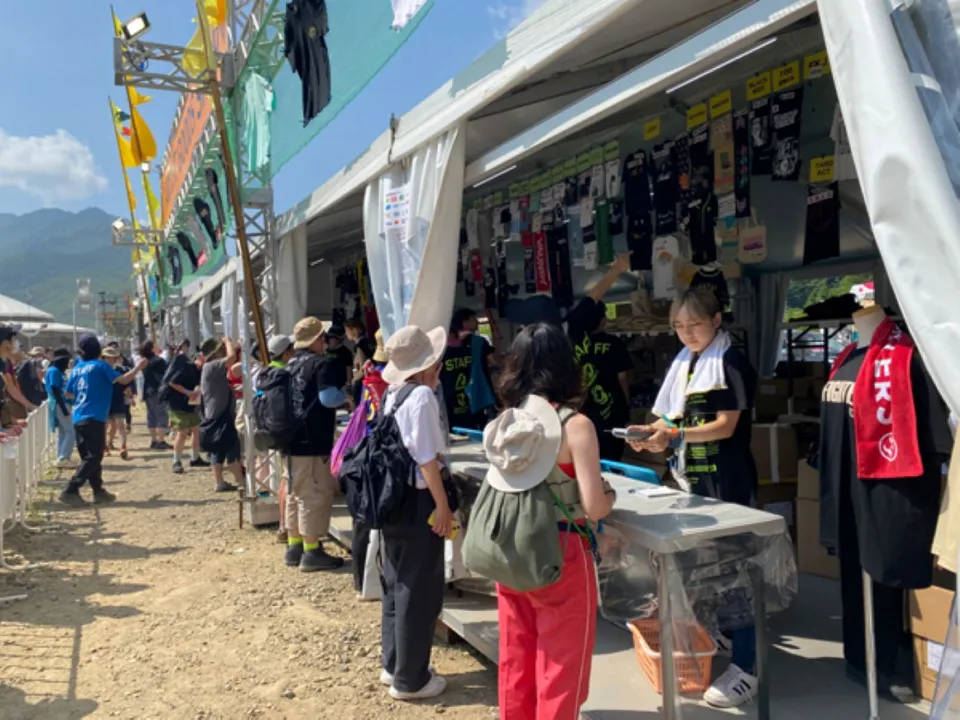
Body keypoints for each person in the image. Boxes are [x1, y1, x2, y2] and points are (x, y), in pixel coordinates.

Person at [627, 287, 759, 708]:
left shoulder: (731, 361)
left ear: (717, 320)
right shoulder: (685, 364)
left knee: (736, 572)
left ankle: (748, 667)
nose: (687, 333)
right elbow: (668, 416)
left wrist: (675, 434)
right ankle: (725, 634)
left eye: (695, 324)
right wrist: (650, 434)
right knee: (706, 568)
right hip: (692, 480)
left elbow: (725, 425)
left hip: (728, 481)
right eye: (680, 326)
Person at [493, 322, 615, 719]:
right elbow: (594, 507)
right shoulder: (575, 425)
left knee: (516, 656)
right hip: (561, 549)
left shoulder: (506, 420)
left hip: (510, 546)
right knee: (561, 665)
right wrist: (610, 495)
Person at [378, 324, 453, 701]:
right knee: (418, 589)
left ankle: (394, 664)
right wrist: (442, 506)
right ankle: (411, 679)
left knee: (396, 584)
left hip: (393, 501)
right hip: (419, 502)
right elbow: (427, 460)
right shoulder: (422, 396)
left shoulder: (392, 394)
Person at [283, 318, 350, 572]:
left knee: (295, 492)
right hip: (312, 440)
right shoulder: (320, 364)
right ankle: (312, 551)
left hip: (290, 439)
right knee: (313, 494)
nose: (326, 342)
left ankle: (294, 546)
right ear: (315, 340)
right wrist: (347, 395)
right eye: (323, 337)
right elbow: (328, 398)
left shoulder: (290, 364)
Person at [59, 334, 146, 507]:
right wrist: (138, 368)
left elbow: (68, 393)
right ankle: (71, 489)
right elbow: (123, 379)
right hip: (94, 416)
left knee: (90, 457)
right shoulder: (101, 366)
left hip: (79, 416)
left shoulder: (77, 368)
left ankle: (98, 491)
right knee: (95, 456)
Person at [565, 253, 634, 461]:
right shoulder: (614, 343)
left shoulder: (572, 338)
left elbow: (592, 296)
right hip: (612, 413)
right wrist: (625, 403)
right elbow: (623, 377)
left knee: (587, 460)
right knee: (612, 461)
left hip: (582, 413)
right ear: (602, 320)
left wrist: (616, 270)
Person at [351, 329, 389, 596]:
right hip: (386, 452)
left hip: (365, 449)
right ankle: (377, 579)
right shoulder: (393, 378)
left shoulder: (367, 375)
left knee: (363, 518)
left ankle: (361, 580)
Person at [199, 337, 245, 493]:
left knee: (217, 451)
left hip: (214, 414)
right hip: (221, 415)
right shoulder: (212, 365)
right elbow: (231, 358)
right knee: (232, 449)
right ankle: (241, 483)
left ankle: (220, 482)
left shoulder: (209, 367)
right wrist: (227, 341)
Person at [439, 308, 496, 432]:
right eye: (474, 319)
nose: (477, 322)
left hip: (449, 402)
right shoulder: (478, 342)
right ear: (464, 323)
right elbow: (495, 361)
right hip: (476, 397)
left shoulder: (440, 352)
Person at [166, 349, 209, 474]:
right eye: (204, 359)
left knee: (195, 430)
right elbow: (172, 382)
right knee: (182, 432)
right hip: (177, 404)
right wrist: (188, 392)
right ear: (199, 358)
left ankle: (195, 458)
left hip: (190, 404)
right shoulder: (186, 367)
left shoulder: (199, 370)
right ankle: (176, 461)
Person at [45, 347, 75, 467]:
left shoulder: (59, 371)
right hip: (59, 403)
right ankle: (64, 458)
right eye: (66, 360)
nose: (68, 363)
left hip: (63, 403)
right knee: (70, 431)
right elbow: (54, 389)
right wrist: (63, 408)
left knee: (63, 432)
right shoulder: (54, 371)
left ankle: (61, 456)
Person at [140, 341, 171, 450]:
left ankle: (154, 440)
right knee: (162, 415)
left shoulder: (144, 361)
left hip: (147, 391)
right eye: (156, 344)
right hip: (157, 390)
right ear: (152, 348)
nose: (158, 345)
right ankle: (161, 440)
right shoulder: (159, 361)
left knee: (151, 416)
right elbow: (166, 375)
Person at [101, 347, 131, 460]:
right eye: (107, 357)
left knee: (120, 425)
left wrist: (129, 394)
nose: (110, 360)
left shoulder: (120, 370)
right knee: (106, 426)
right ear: (103, 358)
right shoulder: (100, 370)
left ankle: (123, 447)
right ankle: (105, 446)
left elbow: (126, 384)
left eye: (112, 357)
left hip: (118, 400)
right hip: (105, 401)